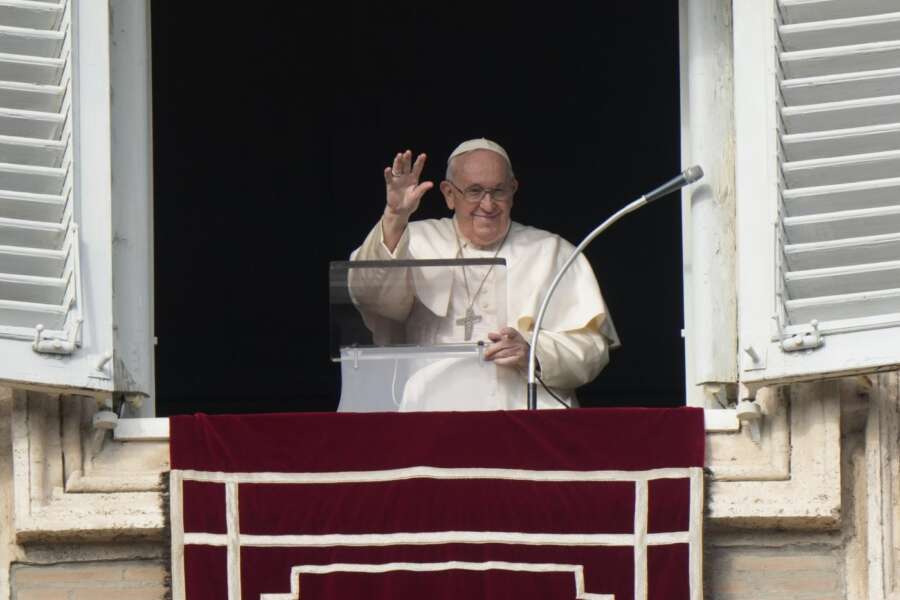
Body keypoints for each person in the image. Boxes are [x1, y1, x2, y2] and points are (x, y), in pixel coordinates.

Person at [349, 138, 618, 410]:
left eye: (498, 191)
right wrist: (395, 216)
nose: (488, 205)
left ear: (513, 190)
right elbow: (369, 295)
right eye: (474, 191)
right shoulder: (413, 240)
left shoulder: (552, 252)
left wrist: (534, 352)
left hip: (528, 416)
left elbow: (591, 349)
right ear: (449, 194)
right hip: (431, 412)